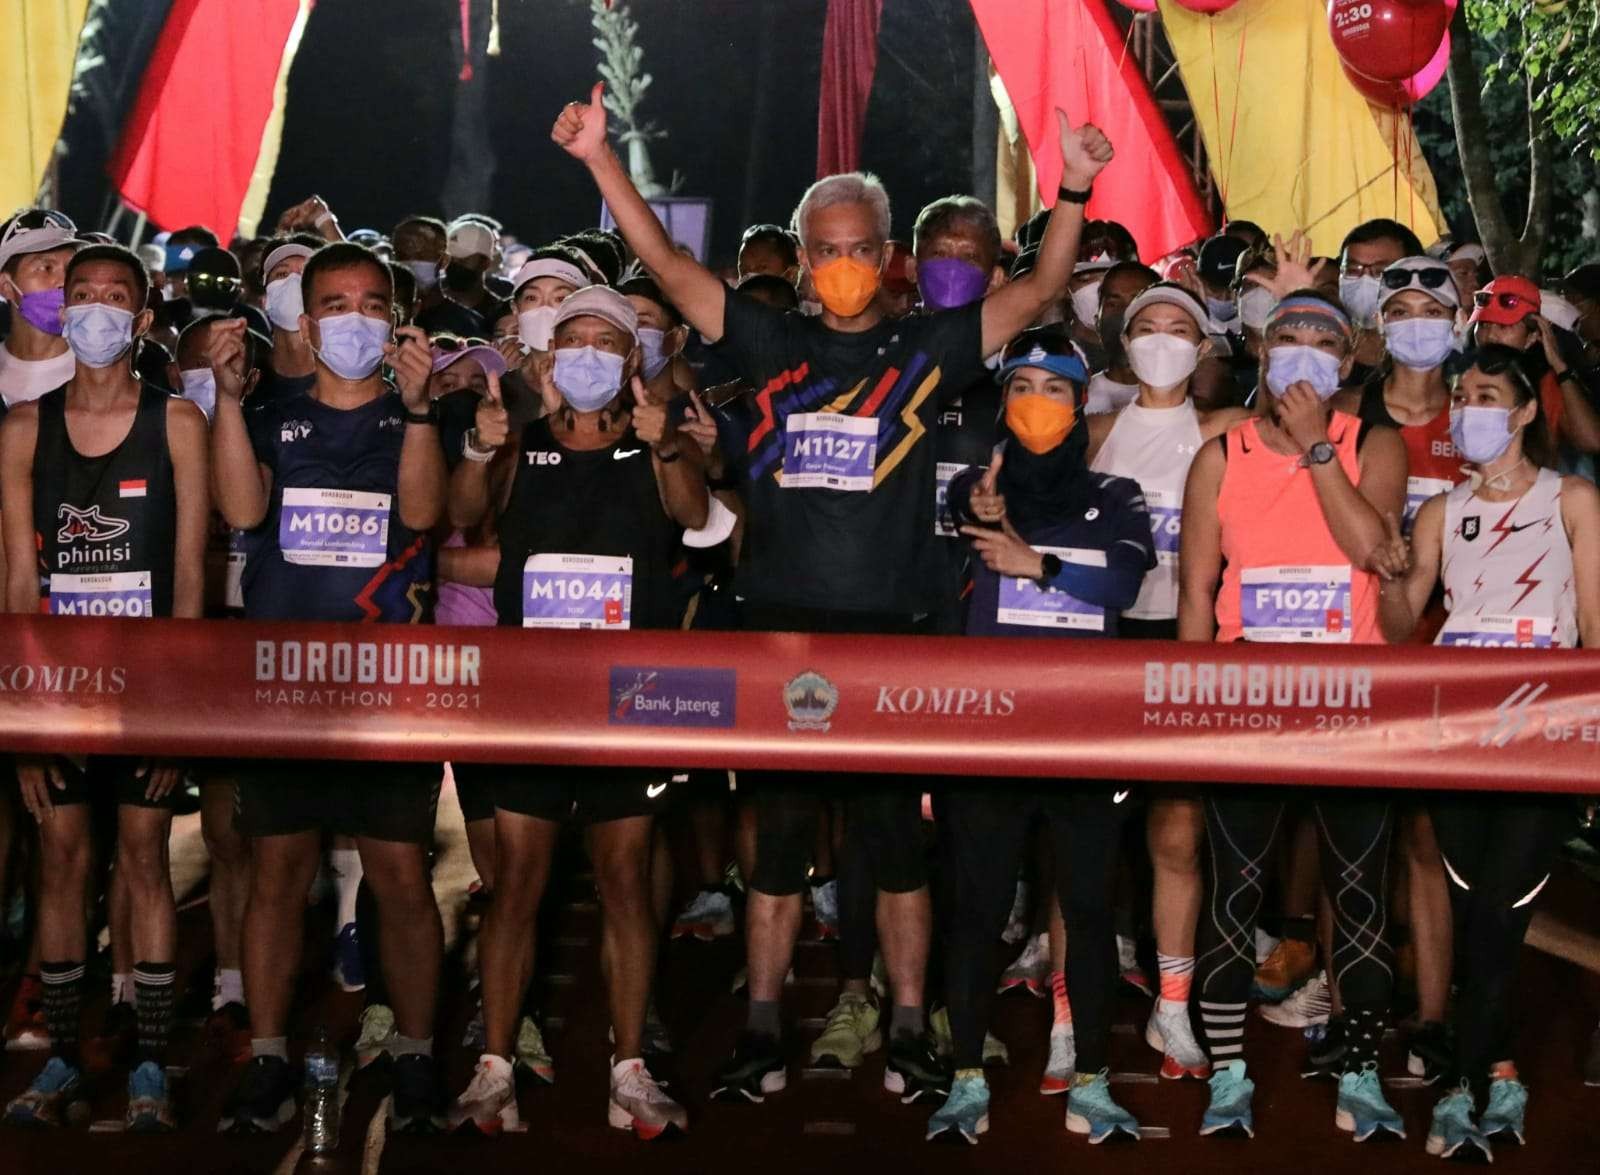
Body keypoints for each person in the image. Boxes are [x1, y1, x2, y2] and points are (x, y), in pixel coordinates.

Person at [553, 79, 1112, 1105]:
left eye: (863, 247)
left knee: (898, 846)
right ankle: (764, 1025)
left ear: (887, 255)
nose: (846, 265)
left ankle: (907, 1026)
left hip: (895, 637)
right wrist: (598, 158)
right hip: (778, 638)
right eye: (828, 248)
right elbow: (672, 270)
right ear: (804, 262)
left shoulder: (924, 351)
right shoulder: (771, 347)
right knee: (774, 849)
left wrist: (1072, 185)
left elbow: (1035, 294)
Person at [445, 285, 703, 1139]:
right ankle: (493, 1067)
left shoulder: (655, 444)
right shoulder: (516, 444)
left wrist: (667, 445)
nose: (590, 354)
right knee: (517, 884)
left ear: (632, 360)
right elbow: (462, 520)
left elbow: (696, 519)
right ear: (550, 358)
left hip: (632, 705)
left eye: (607, 341)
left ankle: (629, 1066)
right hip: (534, 705)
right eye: (574, 340)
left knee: (626, 879)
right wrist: (482, 451)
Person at [210, 242, 447, 1135]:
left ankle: (419, 1054)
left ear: (395, 320)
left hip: (390, 685)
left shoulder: (418, 417)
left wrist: (421, 411)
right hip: (286, 687)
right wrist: (229, 402)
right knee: (278, 874)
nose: (353, 319)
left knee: (399, 877)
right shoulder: (270, 415)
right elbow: (239, 511)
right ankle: (269, 1056)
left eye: (370, 304)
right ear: (305, 323)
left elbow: (424, 516)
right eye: (334, 305)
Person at [1179, 290, 1409, 1142]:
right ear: (1262, 350)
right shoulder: (1219, 454)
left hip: (1353, 701)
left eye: (1325, 341)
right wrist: (1192, 708)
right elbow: (1197, 592)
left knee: (1359, 893)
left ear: (1348, 364)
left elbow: (1367, 550)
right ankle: (1230, 1072)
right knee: (1234, 889)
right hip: (1245, 696)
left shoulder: (1371, 445)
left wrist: (1319, 449)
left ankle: (1358, 1069)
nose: (1306, 353)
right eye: (1289, 336)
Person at [1370, 344, 1600, 1159]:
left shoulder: (1571, 499)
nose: (1470, 406)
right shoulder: (1438, 513)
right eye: (1463, 394)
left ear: (1527, 410)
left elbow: (1596, 629)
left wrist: (1591, 742)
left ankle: (1464, 1086)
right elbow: (1401, 628)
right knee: (1476, 912)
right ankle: (1499, 1071)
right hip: (1460, 736)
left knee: (1502, 906)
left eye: (1489, 394)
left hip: (1543, 736)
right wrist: (1394, 577)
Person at [927, 326, 1155, 1145]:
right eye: (1020, 386)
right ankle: (961, 1077)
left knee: (1089, 910)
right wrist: (984, 516)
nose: (1035, 402)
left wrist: (1040, 567)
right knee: (977, 910)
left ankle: (1092, 1075)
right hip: (989, 738)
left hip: (1085, 740)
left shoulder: (1118, 494)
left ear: (1081, 399)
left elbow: (1125, 581)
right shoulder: (978, 490)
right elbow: (965, 509)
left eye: (1053, 388)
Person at [0, 244, 208, 1131]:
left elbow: (193, 582)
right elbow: (15, 586)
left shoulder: (178, 424)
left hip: (148, 688)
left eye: (112, 297)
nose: (91, 309)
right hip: (56, 689)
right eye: (77, 294)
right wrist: (23, 724)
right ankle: (58, 1058)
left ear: (142, 319)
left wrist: (178, 722)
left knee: (145, 860)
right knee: (61, 861)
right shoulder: (19, 428)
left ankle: (152, 1064)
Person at [1085, 283, 1249, 1084]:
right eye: (1144, 327)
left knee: (1177, 833)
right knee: (1086, 837)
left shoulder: (1227, 430)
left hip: (1190, 642)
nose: (1159, 339)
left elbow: (1313, 418)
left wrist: (1277, 307)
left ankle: (1172, 1006)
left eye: (1177, 327)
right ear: (1121, 342)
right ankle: (1068, 1009)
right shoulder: (1094, 433)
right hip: (1104, 644)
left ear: (1206, 345)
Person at [1468, 274, 1600, 457]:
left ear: (1531, 338)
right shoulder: (1458, 377)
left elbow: (1592, 441)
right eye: (1483, 325)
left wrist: (1560, 366)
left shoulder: (1545, 384)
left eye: (1503, 327)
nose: (1489, 336)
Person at [0, 211, 80, 410]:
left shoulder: (100, 372)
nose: (64, 281)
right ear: (6, 286)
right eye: (46, 268)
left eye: (72, 268)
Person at [1336, 218, 1425, 383]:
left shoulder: (1433, 352)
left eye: (1381, 272)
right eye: (1352, 270)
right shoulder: (1324, 345)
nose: (1364, 280)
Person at [255, 238, 321, 404]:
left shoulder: (345, 375)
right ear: (265, 301)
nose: (293, 281)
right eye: (282, 274)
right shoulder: (250, 378)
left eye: (304, 273)